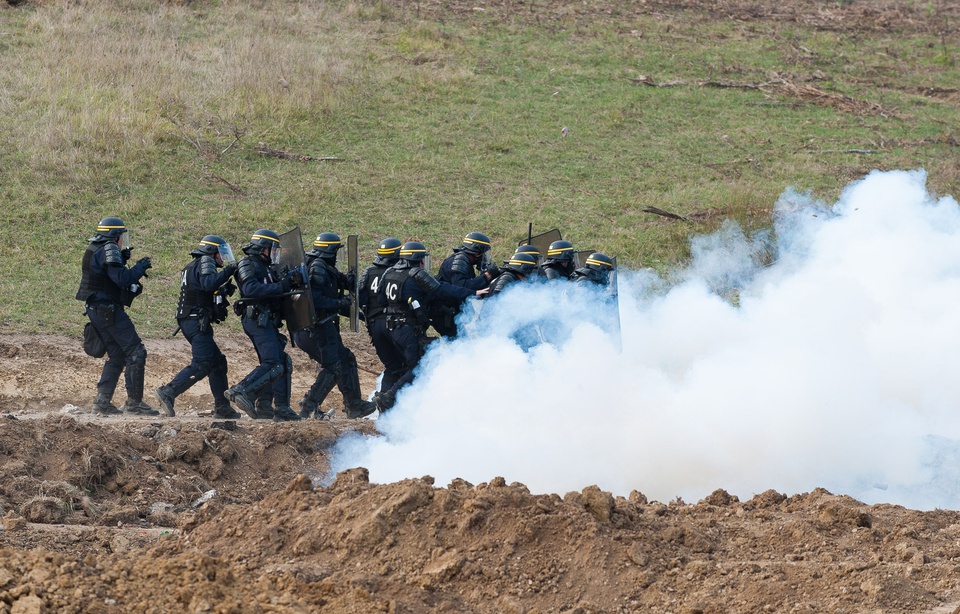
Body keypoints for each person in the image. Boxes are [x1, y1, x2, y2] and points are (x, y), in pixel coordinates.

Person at [376, 241, 487, 412]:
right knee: (420, 368)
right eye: (422, 259)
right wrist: (473, 293)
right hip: (408, 328)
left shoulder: (389, 273)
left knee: (399, 368)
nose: (423, 263)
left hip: (391, 328)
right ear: (417, 259)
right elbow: (442, 289)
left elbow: (380, 300)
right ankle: (389, 398)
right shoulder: (416, 274)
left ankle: (388, 403)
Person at [76, 216, 158, 416]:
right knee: (136, 351)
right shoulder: (109, 248)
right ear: (115, 235)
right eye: (122, 235)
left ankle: (102, 402)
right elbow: (122, 279)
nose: (123, 240)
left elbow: (103, 273)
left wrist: (124, 259)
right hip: (107, 309)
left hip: (95, 309)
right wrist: (140, 267)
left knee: (117, 355)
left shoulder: (95, 248)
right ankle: (134, 403)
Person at [293, 232, 378, 420]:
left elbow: (340, 282)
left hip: (320, 327)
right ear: (329, 251)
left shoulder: (323, 266)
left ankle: (354, 405)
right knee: (334, 366)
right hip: (315, 329)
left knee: (346, 359)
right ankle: (309, 406)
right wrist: (340, 303)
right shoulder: (317, 267)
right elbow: (315, 299)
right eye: (335, 252)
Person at [155, 235, 241, 419]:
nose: (223, 257)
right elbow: (208, 283)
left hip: (191, 320)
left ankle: (222, 407)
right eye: (221, 253)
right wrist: (229, 272)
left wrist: (222, 291)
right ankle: (168, 391)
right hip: (196, 321)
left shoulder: (193, 265)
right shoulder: (205, 261)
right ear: (212, 252)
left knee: (217, 363)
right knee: (202, 364)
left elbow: (203, 290)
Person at [224, 229, 304, 422]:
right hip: (256, 318)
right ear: (262, 248)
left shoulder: (267, 267)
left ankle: (275, 407)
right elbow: (250, 289)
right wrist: (281, 286)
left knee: (282, 361)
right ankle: (241, 390)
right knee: (272, 364)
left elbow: (277, 292)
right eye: (273, 249)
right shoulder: (248, 263)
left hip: (267, 320)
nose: (275, 253)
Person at [358, 238, 405, 398]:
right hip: (393, 325)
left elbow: (361, 298)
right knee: (404, 366)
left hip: (373, 325)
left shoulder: (369, 271)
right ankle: (390, 401)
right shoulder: (396, 274)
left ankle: (383, 399)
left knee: (392, 367)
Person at [433, 232, 499, 336]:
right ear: (477, 252)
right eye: (483, 252)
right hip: (445, 312)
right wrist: (487, 276)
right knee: (458, 345)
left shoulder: (464, 260)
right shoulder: (460, 260)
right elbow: (462, 286)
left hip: (450, 311)